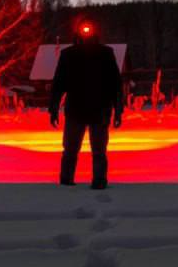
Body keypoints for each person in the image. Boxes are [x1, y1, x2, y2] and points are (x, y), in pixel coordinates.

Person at [48, 20, 123, 189]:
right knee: (72, 150)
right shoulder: (69, 55)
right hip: (80, 110)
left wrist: (118, 110)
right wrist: (53, 109)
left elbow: (115, 84)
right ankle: (68, 181)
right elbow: (59, 83)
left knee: (95, 151)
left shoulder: (105, 54)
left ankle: (97, 181)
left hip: (96, 110)